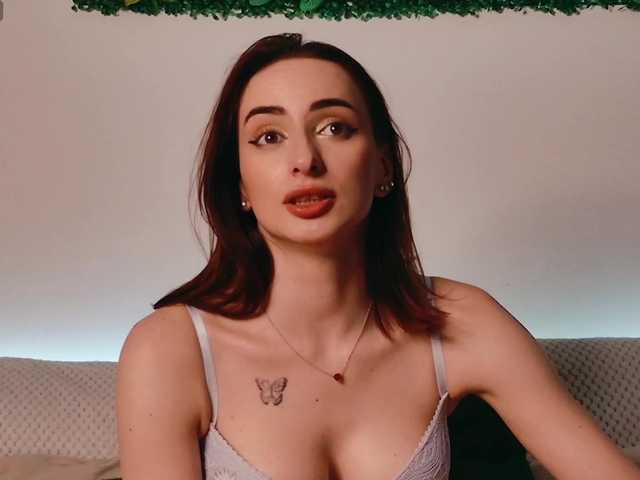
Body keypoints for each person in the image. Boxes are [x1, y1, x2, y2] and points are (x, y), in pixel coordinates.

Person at [116, 33, 640, 480]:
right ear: (240, 187)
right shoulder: (170, 350)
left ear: (384, 166)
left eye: (335, 128)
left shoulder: (462, 321)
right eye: (269, 136)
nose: (305, 160)